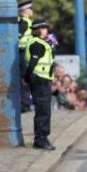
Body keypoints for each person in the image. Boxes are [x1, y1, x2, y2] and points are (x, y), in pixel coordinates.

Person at [23, 21, 55, 150]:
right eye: (44, 28)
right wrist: (28, 77)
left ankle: (43, 138)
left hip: (43, 79)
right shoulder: (37, 44)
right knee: (43, 110)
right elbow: (33, 62)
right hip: (39, 80)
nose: (46, 30)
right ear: (38, 30)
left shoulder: (40, 43)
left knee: (45, 110)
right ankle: (41, 139)